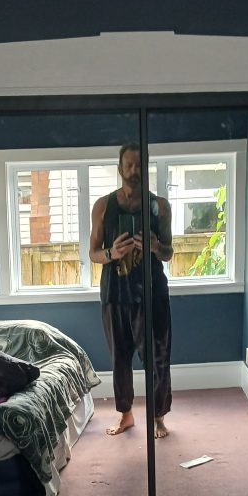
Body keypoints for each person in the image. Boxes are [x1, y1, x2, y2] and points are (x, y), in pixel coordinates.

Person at [89, 142, 174, 439]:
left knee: (158, 358)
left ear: (145, 168)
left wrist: (156, 246)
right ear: (120, 168)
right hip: (115, 294)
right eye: (129, 165)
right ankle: (126, 415)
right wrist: (111, 253)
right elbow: (92, 253)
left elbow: (169, 253)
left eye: (139, 165)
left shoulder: (160, 206)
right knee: (120, 360)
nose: (134, 170)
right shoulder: (102, 206)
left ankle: (158, 417)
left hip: (152, 295)